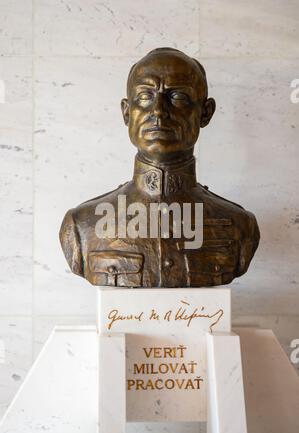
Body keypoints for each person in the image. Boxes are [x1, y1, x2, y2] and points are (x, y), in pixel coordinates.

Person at [60, 47, 260, 288]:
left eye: (177, 97)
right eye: (145, 96)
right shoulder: (83, 225)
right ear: (127, 113)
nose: (158, 111)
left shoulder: (238, 225)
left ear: (205, 114)